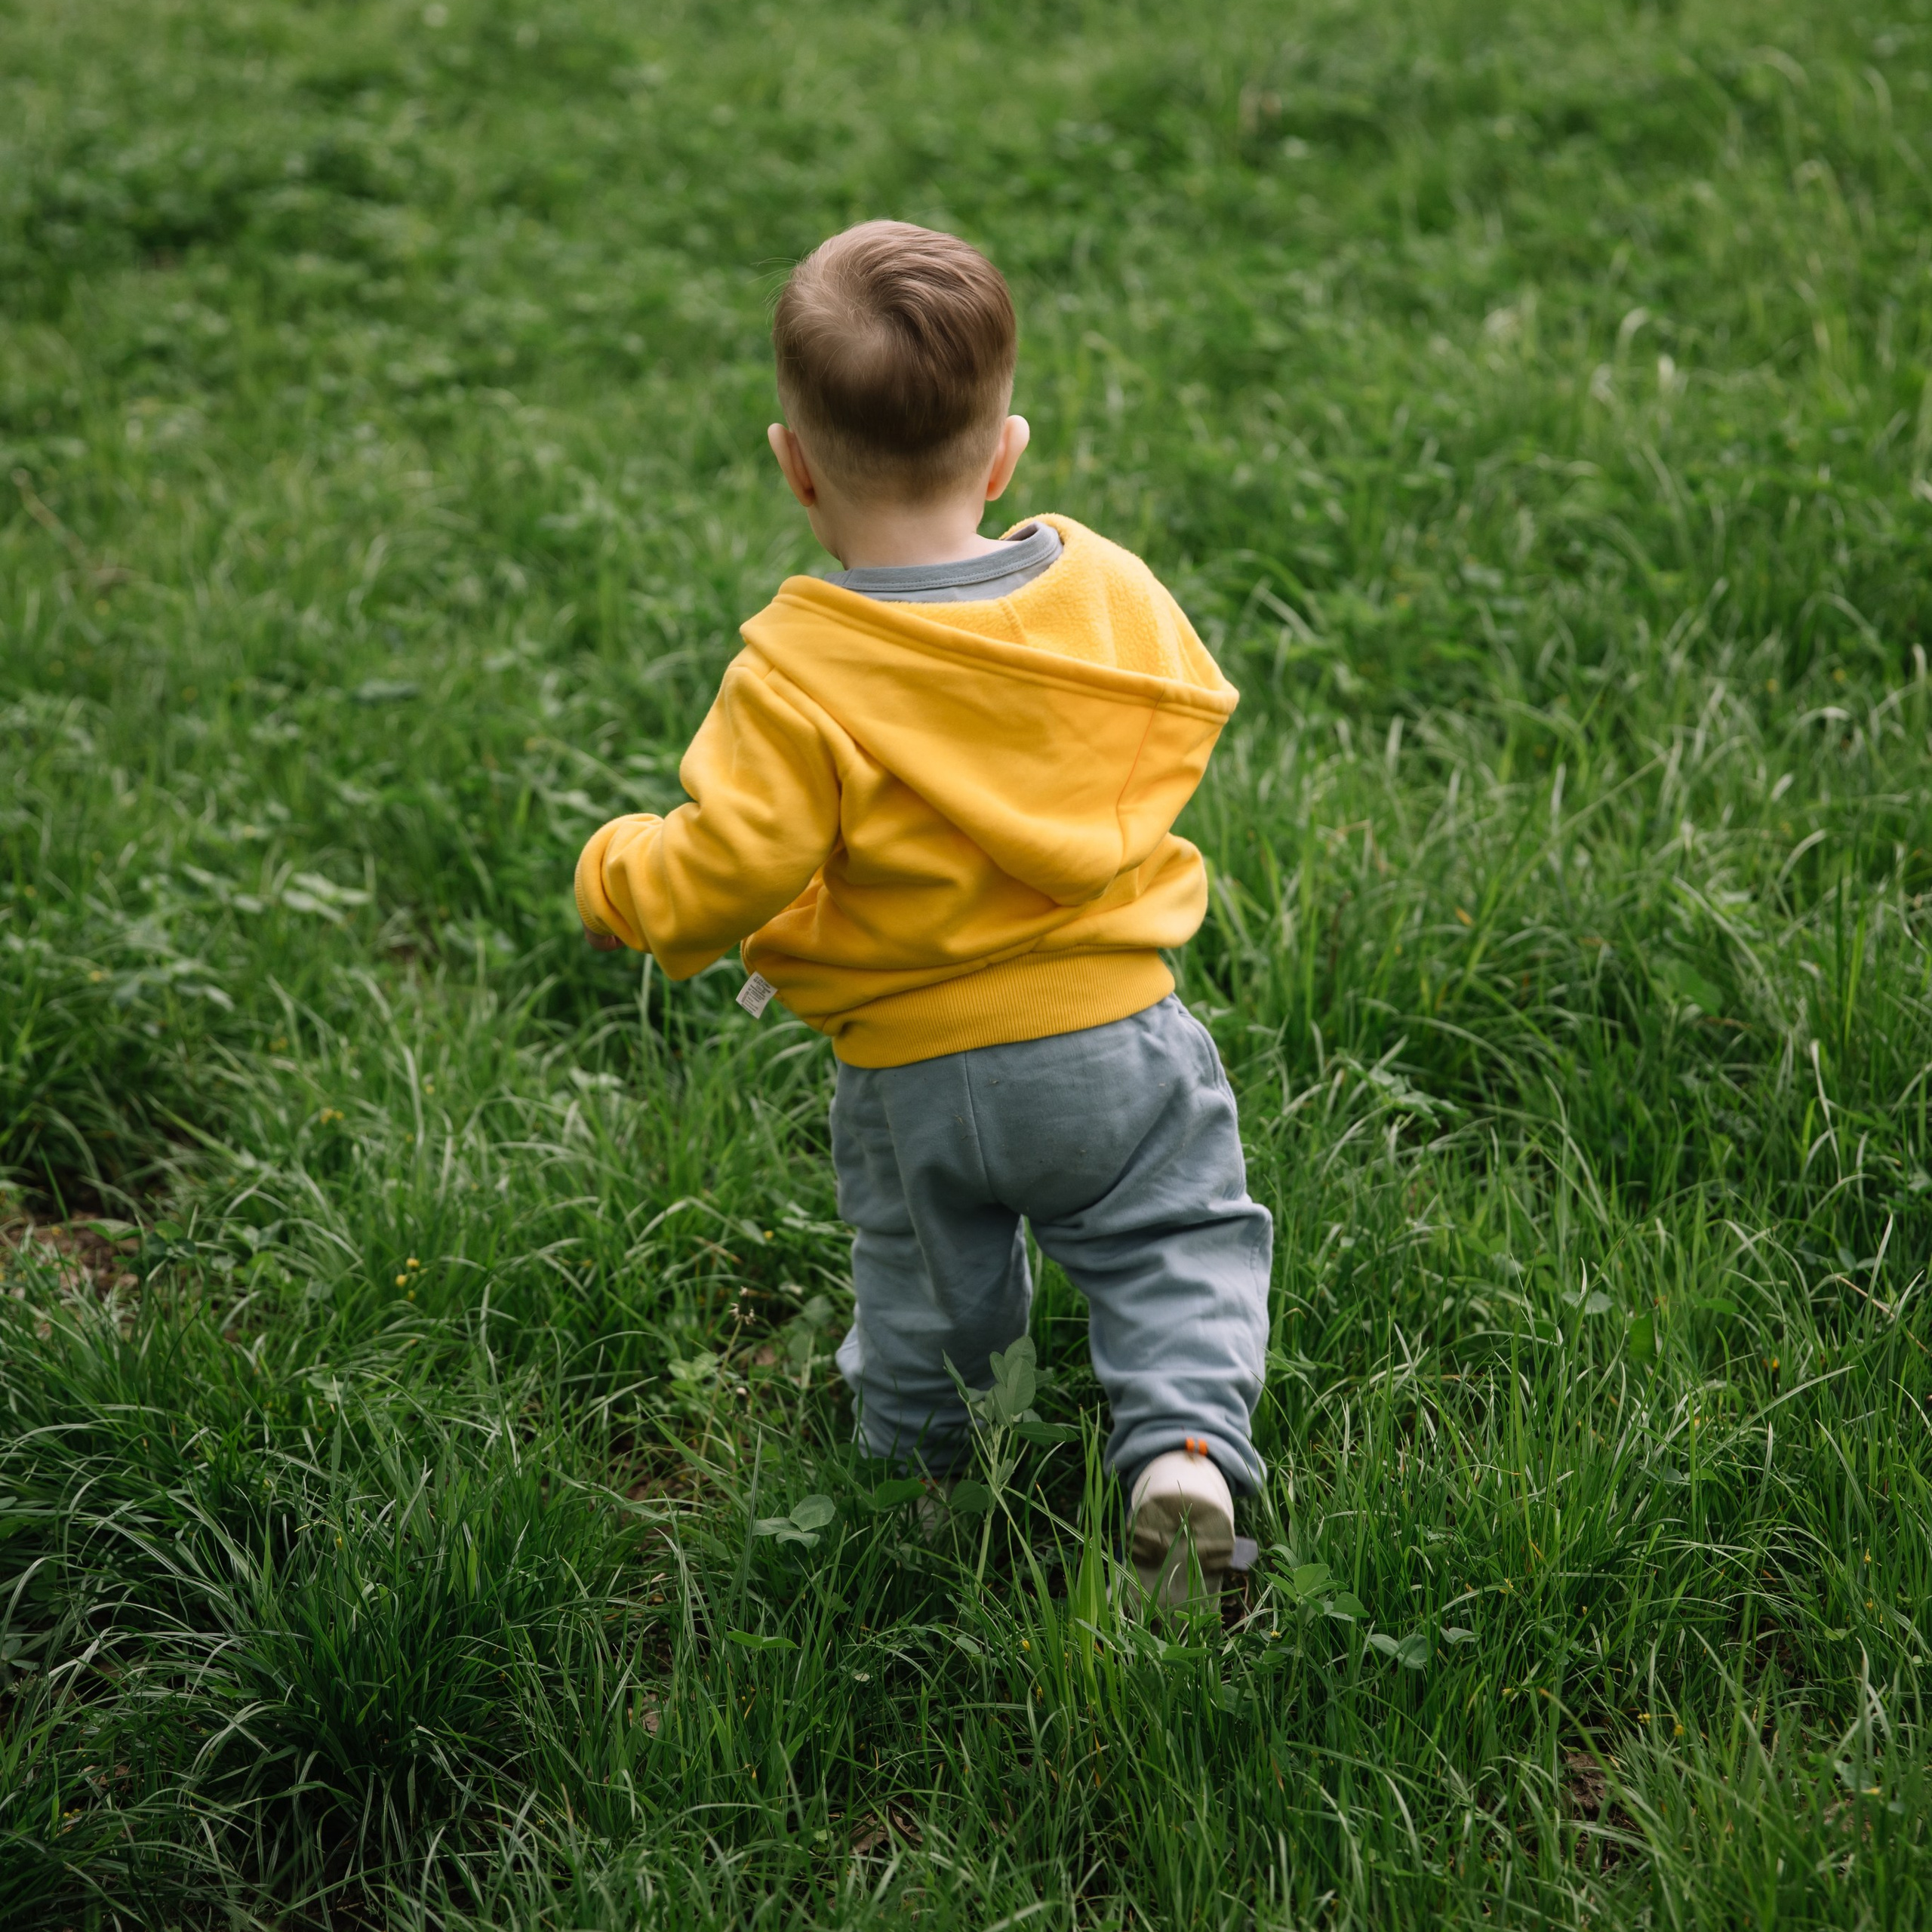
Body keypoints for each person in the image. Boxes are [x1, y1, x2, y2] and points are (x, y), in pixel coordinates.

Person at [574, 220, 1272, 1602]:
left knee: (923, 1287)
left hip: (913, 1076)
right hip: (1112, 1038)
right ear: (1004, 453)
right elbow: (1177, 710)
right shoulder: (1108, 592)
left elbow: (731, 863)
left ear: (795, 469)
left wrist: (619, 878)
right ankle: (1185, 1449)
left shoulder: (797, 671)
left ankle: (915, 1486)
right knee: (1172, 1240)